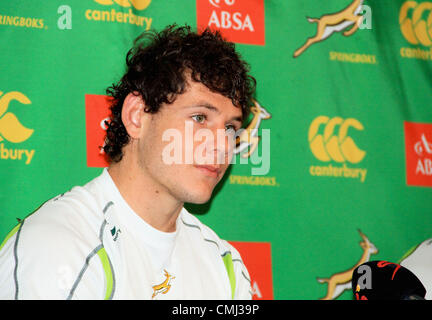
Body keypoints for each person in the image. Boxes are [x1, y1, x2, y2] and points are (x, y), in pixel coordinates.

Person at [0, 24, 256, 299]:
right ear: (137, 116)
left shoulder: (223, 265)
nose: (221, 145)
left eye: (230, 128)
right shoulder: (58, 247)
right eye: (200, 118)